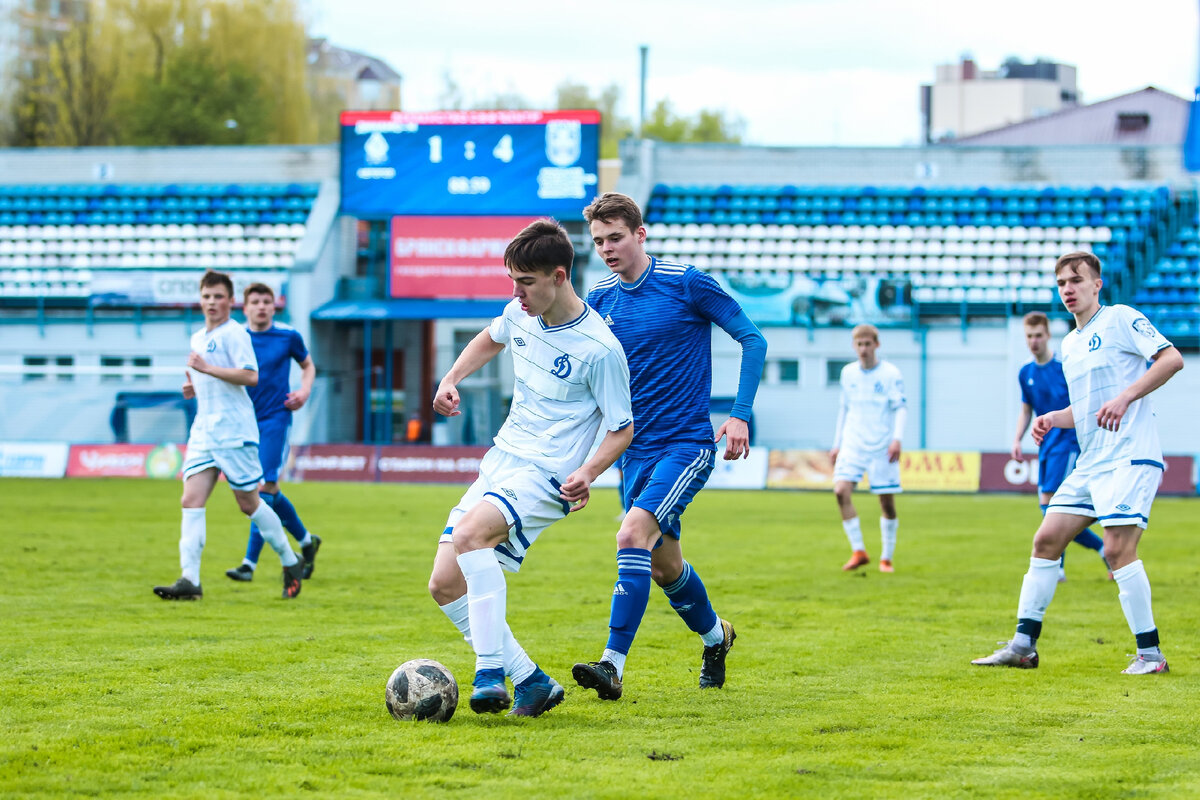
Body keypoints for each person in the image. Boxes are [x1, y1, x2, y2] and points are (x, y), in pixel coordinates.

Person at [426, 219, 633, 717]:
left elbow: (622, 428)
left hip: (549, 474)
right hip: (503, 460)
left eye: (526, 282)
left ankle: (489, 672)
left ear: (559, 277)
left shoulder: (601, 349)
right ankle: (532, 681)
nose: (516, 293)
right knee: (444, 583)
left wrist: (589, 472)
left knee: (471, 536)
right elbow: (490, 336)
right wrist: (451, 377)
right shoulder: (519, 313)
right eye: (512, 281)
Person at [572, 191, 767, 701]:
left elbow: (753, 339)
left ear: (640, 234)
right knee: (664, 568)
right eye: (599, 241)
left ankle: (612, 665)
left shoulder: (686, 282)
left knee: (631, 534)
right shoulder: (599, 300)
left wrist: (740, 414)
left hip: (685, 445)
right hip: (633, 453)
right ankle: (717, 637)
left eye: (616, 238)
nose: (607, 249)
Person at [973, 251, 1183, 674]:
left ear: (1096, 284)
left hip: (1130, 455)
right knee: (1046, 540)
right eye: (1061, 283)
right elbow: (1086, 410)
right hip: (1092, 461)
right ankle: (1022, 647)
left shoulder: (1121, 318)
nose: (1068, 289)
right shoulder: (1070, 344)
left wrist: (1126, 397)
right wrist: (1053, 418)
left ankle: (1150, 655)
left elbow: (1171, 359)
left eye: (1076, 280)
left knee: (1117, 548)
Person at [154, 271, 304, 600]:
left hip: (234, 431)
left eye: (218, 296)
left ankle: (290, 560)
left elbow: (250, 376)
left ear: (230, 301)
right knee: (190, 501)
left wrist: (207, 369)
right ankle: (189, 580)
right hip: (204, 431)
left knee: (249, 503)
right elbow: (209, 378)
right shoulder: (197, 337)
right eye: (207, 296)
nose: (212, 302)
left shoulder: (234, 333)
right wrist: (194, 386)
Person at [224, 283, 321, 583]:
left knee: (263, 489)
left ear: (274, 306)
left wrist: (304, 391)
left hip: (274, 419)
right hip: (243, 422)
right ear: (245, 307)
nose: (261, 306)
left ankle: (248, 564)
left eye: (267, 301)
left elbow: (308, 366)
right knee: (270, 491)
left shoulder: (287, 336)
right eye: (255, 302)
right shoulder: (235, 338)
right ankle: (306, 541)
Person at [1011, 311, 1106, 582]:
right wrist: (1017, 439)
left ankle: (1057, 568)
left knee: (1054, 504)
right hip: (1046, 446)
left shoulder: (1064, 367)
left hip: (1068, 442)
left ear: (1048, 335)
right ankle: (1102, 548)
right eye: (1029, 336)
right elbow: (1026, 409)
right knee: (1049, 508)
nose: (1034, 341)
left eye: (1038, 335)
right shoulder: (1025, 372)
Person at [829, 324, 906, 573]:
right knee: (840, 491)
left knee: (886, 503)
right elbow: (843, 409)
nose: (863, 349)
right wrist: (837, 444)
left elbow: (900, 408)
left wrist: (897, 439)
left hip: (882, 446)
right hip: (853, 443)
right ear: (854, 346)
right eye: (859, 344)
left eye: (867, 344)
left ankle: (886, 557)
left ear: (876, 344)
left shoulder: (890, 373)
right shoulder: (848, 373)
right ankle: (859, 551)